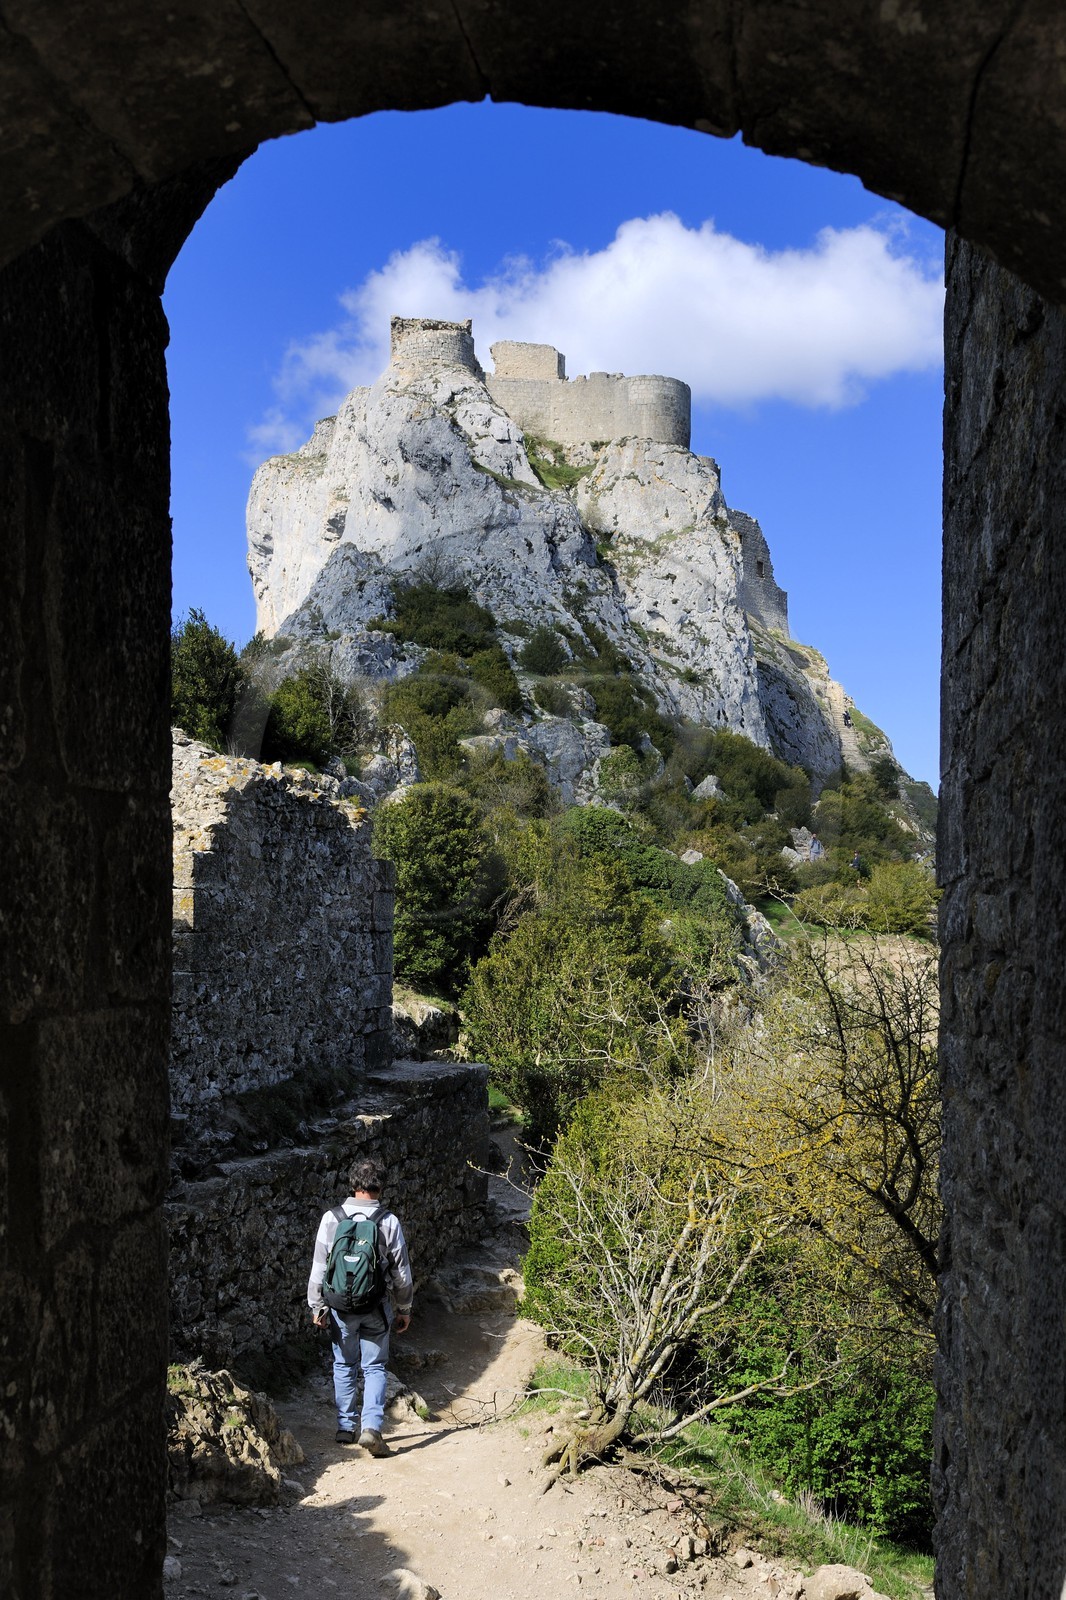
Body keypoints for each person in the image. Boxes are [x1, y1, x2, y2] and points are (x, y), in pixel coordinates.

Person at [307, 1156, 413, 1457]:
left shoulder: (332, 1218)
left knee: (343, 1364)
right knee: (375, 1366)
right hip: (375, 1307)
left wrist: (317, 1306)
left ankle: (344, 1426)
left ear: (352, 1184)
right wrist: (404, 1308)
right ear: (380, 1185)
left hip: (340, 1308)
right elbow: (401, 1273)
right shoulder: (388, 1222)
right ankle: (371, 1427)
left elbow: (319, 1268)